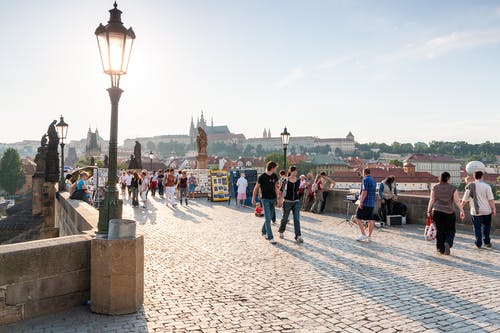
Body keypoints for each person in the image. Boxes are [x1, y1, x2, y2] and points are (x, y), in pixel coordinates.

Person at [427, 172, 464, 255]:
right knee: (450, 230)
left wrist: (428, 210)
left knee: (440, 230)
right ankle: (448, 242)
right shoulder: (453, 188)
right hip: (449, 212)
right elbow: (457, 201)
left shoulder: (435, 187)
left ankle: (440, 248)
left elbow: (432, 200)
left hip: (436, 211)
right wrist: (462, 210)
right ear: (448, 178)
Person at [461, 170, 496, 248]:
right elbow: (491, 200)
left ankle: (478, 243)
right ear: (482, 176)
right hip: (486, 210)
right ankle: (487, 242)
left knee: (477, 228)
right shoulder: (487, 186)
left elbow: (464, 200)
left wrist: (461, 209)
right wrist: (494, 209)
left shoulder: (470, 186)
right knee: (487, 227)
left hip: (475, 211)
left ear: (474, 177)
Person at [252, 161, 279, 244]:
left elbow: (276, 187)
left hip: (273, 199)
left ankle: (263, 230)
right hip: (265, 199)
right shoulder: (262, 177)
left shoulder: (275, 176)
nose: (276, 169)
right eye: (275, 168)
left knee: (270, 217)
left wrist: (278, 198)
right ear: (272, 167)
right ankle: (270, 237)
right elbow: (256, 188)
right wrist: (253, 199)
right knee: (267, 218)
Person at [278, 166, 304, 243]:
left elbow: (297, 191)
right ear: (291, 171)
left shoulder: (298, 180)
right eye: (294, 171)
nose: (295, 172)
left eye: (296, 171)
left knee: (296, 219)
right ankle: (281, 231)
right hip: (287, 201)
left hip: (296, 201)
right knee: (285, 218)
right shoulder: (285, 180)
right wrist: (279, 200)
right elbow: (281, 191)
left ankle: (298, 236)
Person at [353, 168, 377, 242]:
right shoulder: (373, 180)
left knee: (357, 217)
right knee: (371, 220)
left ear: (364, 173)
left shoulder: (365, 180)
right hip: (372, 202)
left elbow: (364, 192)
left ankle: (363, 234)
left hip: (365, 202)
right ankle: (369, 237)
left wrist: (361, 202)